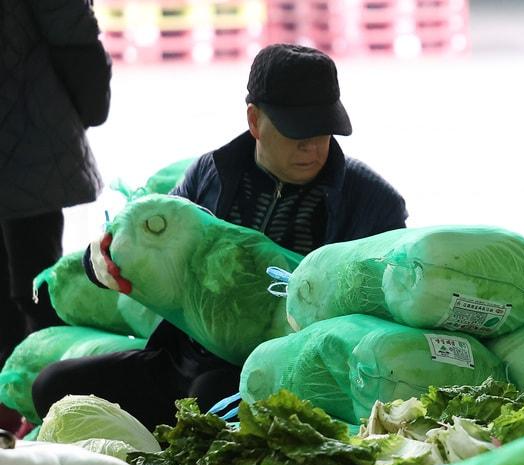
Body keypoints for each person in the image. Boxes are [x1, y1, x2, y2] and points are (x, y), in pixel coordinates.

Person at [31, 44, 408, 430]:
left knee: (208, 408)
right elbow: (144, 245)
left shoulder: (371, 202)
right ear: (255, 120)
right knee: (54, 386)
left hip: (273, 375)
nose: (312, 146)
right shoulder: (210, 174)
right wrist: (103, 261)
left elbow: (387, 312)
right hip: (181, 357)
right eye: (297, 132)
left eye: (323, 130)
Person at [0, 0, 112, 433]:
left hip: (25, 133)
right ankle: (28, 406)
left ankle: (15, 405)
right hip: (28, 133)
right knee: (36, 283)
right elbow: (71, 31)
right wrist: (86, 107)